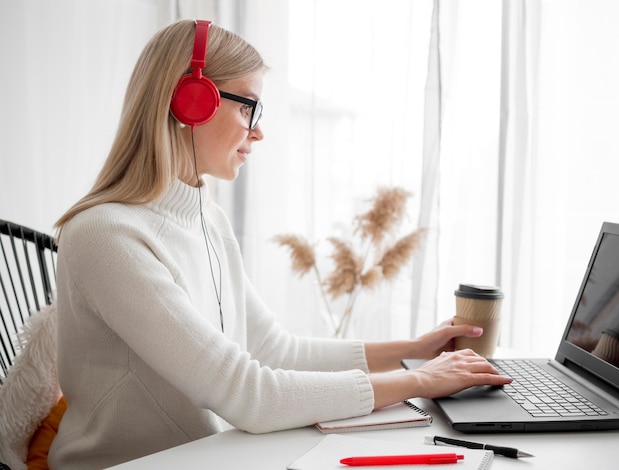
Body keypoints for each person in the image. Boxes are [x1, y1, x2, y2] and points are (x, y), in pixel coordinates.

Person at [48, 19, 511, 469]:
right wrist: (418, 380)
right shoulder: (105, 235)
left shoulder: (208, 219)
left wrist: (415, 350)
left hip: (211, 457)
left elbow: (275, 350)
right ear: (190, 102)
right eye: (248, 105)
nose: (258, 130)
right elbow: (249, 394)